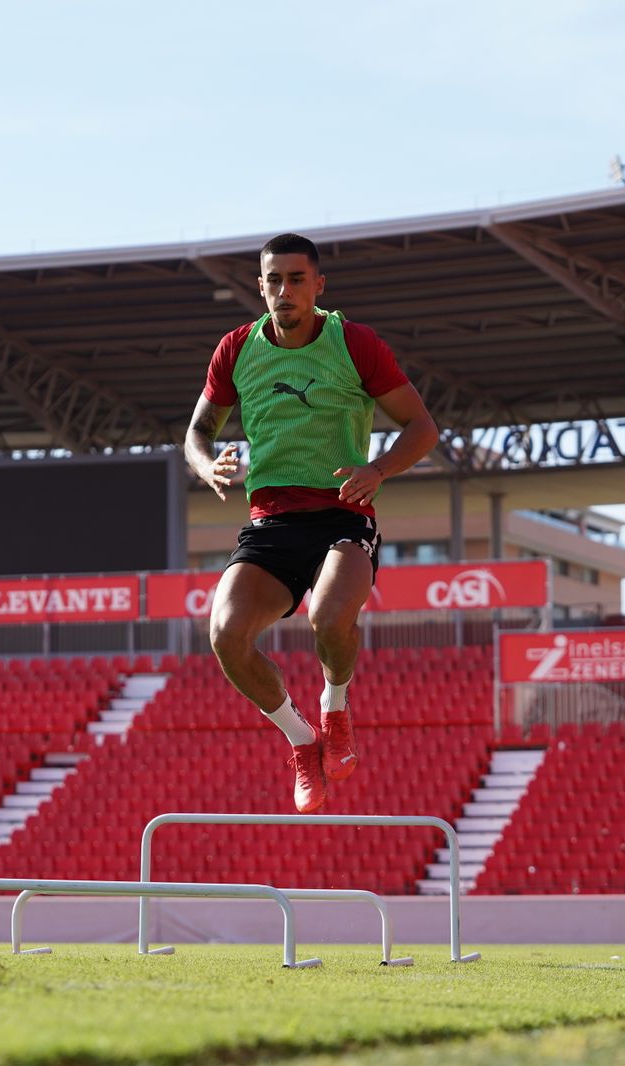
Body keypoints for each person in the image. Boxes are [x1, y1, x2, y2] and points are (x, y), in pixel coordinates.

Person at [185, 233, 438, 813]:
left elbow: (421, 428)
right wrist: (206, 465)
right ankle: (303, 742)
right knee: (225, 635)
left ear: (318, 285)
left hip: (343, 511)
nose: (285, 290)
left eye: (297, 279)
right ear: (261, 285)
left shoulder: (354, 343)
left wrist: (377, 469)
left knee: (328, 616)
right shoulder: (236, 348)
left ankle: (336, 706)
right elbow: (197, 432)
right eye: (274, 279)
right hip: (270, 521)